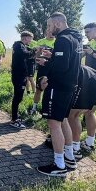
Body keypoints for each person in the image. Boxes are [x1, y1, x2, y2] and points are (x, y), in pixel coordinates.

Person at [35, 12, 82, 177]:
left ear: (58, 23)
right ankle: (69, 158)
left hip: (58, 87)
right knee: (63, 121)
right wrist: (53, 56)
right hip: (70, 86)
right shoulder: (75, 38)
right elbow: (67, 61)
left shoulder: (62, 39)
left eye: (49, 25)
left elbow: (61, 68)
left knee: (53, 123)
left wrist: (45, 66)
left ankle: (59, 164)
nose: (48, 29)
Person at [67, 65, 96, 158]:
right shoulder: (73, 60)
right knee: (90, 112)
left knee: (73, 116)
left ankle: (75, 149)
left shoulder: (62, 65)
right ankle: (89, 144)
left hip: (92, 83)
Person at [9, 31, 35, 129]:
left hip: (21, 76)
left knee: (19, 97)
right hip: (18, 76)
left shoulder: (21, 46)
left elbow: (28, 53)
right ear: (25, 38)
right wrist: (34, 51)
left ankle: (15, 116)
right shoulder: (18, 45)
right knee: (17, 97)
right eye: (30, 38)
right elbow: (26, 54)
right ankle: (14, 119)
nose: (31, 40)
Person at [30, 29, 55, 114]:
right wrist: (39, 52)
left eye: (52, 32)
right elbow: (36, 58)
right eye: (49, 32)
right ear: (45, 33)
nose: (51, 34)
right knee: (38, 89)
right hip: (42, 69)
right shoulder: (40, 41)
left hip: (53, 69)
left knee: (51, 90)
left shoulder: (58, 41)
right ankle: (34, 108)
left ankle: (47, 109)